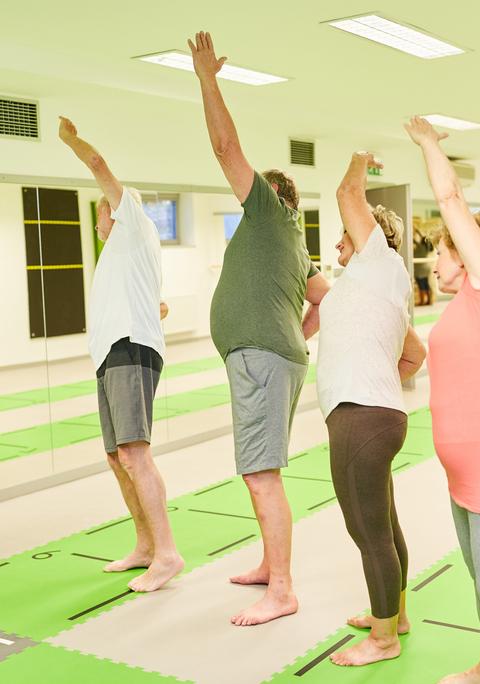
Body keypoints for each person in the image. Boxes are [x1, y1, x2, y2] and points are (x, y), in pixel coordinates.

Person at [188, 31, 330, 627]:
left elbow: (225, 148)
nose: (243, 193)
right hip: (270, 355)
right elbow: (323, 298)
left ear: (276, 198)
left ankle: (283, 590)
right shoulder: (297, 247)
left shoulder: (272, 215)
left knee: (260, 472)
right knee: (258, 468)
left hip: (264, 359)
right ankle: (272, 569)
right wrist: (294, 333)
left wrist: (207, 79)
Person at [406, 115, 480, 684]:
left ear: (469, 251)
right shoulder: (461, 305)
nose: (434, 261)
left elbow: (449, 197)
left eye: (442, 251)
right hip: (464, 478)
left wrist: (427, 142)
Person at [59, 116, 184, 593]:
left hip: (129, 351)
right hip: (112, 354)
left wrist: (72, 140)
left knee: (134, 452)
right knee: (117, 456)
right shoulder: (124, 256)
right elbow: (152, 303)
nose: (99, 220)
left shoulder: (133, 224)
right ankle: (146, 545)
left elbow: (98, 163)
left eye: (102, 211)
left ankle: (167, 552)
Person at [316, 151, 426, 667]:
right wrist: (382, 382)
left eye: (344, 233)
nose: (338, 240)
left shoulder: (376, 262)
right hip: (374, 411)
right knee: (383, 522)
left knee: (367, 529)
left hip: (361, 415)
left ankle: (383, 640)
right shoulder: (380, 285)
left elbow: (348, 194)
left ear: (366, 235)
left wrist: (358, 158)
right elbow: (415, 354)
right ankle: (394, 615)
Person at [413, 225, 433, 305]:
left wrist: (415, 231)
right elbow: (423, 238)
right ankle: (428, 301)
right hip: (425, 268)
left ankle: (422, 301)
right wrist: (417, 231)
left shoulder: (420, 246)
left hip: (420, 269)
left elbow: (412, 240)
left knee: (421, 285)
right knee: (426, 284)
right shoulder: (426, 247)